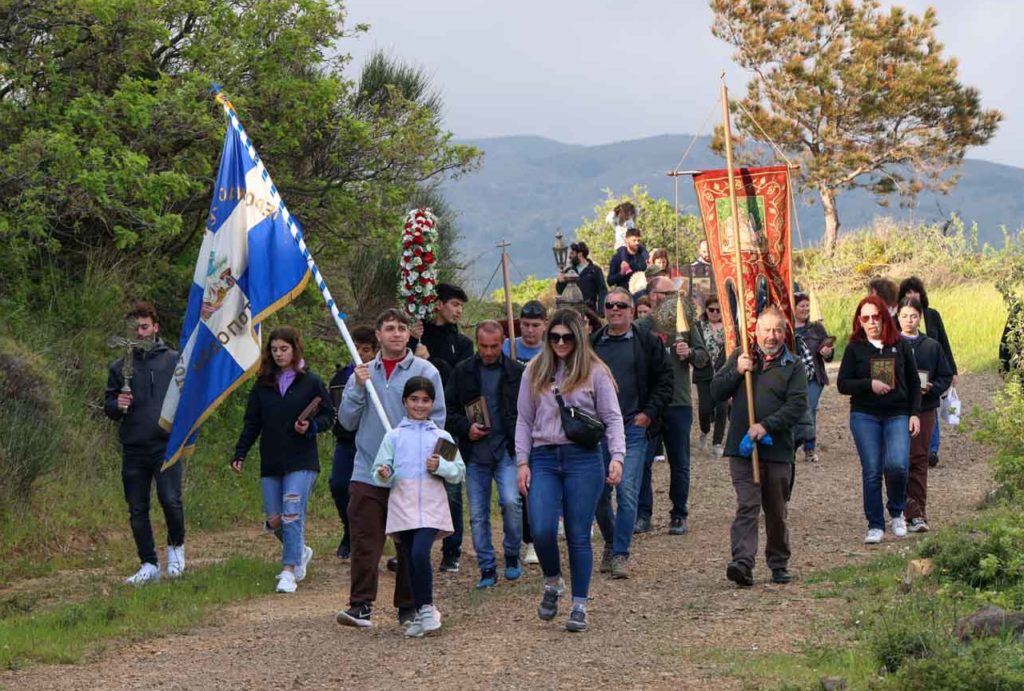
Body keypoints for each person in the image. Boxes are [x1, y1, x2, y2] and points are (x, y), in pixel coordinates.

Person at [515, 309, 625, 633]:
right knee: (542, 528)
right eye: (555, 337)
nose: (560, 342)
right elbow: (523, 418)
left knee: (578, 533)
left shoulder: (595, 372)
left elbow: (613, 417)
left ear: (578, 337)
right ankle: (553, 581)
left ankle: (579, 604)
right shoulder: (534, 370)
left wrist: (617, 456)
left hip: (583, 457)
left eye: (567, 337)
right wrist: (522, 461)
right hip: (544, 456)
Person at [337, 309, 445, 628]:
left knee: (409, 544)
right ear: (378, 335)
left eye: (401, 328)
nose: (396, 334)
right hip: (368, 469)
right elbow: (346, 420)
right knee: (365, 539)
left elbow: (438, 420)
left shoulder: (426, 371)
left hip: (410, 474)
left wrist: (437, 461)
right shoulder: (362, 373)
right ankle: (360, 605)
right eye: (389, 328)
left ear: (409, 334)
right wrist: (357, 387)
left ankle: (409, 606)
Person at [230, 326, 335, 593]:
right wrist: (240, 452)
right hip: (272, 460)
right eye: (274, 349)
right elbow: (252, 422)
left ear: (295, 348)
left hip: (301, 460)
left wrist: (310, 426)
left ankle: (288, 570)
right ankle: (300, 550)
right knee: (275, 519)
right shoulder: (263, 384)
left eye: (284, 349)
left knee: (291, 514)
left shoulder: (311, 382)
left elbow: (328, 416)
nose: (279, 354)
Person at [712, 307, 808, 587]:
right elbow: (716, 392)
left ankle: (778, 562)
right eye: (766, 330)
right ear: (756, 331)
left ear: (784, 333)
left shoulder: (794, 365)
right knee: (747, 505)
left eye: (777, 330)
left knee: (776, 510)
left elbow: (798, 405)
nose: (772, 336)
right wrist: (737, 372)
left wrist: (766, 426)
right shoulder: (741, 357)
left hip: (777, 450)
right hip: (742, 450)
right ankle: (742, 562)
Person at [372, 377, 466, 637]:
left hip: (432, 508)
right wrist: (385, 472)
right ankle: (419, 612)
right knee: (410, 560)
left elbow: (458, 471)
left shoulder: (441, 437)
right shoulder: (394, 436)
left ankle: (426, 608)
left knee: (419, 554)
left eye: (425, 400)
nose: (419, 405)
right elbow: (379, 470)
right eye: (414, 399)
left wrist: (442, 467)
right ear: (405, 402)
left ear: (432, 403)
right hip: (403, 507)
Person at [591, 289, 672, 578]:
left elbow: (665, 380)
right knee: (599, 494)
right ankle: (611, 542)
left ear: (632, 309)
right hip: (598, 430)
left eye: (621, 305)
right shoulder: (591, 345)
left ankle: (621, 553)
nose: (615, 310)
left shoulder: (647, 343)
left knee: (627, 492)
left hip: (632, 428)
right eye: (609, 305)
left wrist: (648, 414)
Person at [104, 302, 184, 586]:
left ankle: (176, 552)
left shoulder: (174, 360)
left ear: (155, 327)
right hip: (134, 446)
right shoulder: (119, 367)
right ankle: (148, 563)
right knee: (137, 507)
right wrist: (118, 404)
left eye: (144, 327)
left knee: (170, 499)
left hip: (166, 444)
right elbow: (109, 406)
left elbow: (188, 398)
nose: (139, 333)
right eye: (134, 328)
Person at [446, 320, 526, 589]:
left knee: (511, 502)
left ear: (503, 342)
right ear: (476, 343)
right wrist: (466, 428)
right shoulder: (463, 371)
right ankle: (487, 566)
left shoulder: (517, 372)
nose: (489, 352)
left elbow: (527, 412)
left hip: (506, 449)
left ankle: (513, 553)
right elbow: (448, 410)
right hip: (475, 454)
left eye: (494, 346)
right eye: (484, 346)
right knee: (477, 514)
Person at [837, 296, 921, 545]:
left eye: (876, 316)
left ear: (885, 317)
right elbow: (842, 383)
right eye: (866, 318)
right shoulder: (855, 348)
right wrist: (868, 384)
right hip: (865, 414)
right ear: (859, 322)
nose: (872, 322)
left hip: (897, 412)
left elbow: (914, 381)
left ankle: (897, 511)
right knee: (872, 469)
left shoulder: (901, 345)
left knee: (897, 465)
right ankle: (875, 523)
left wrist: (915, 413)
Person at [635, 276, 708, 535]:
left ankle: (679, 514)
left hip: (679, 402)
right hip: (649, 405)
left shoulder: (685, 323)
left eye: (673, 294)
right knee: (642, 461)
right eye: (664, 294)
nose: (669, 299)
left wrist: (689, 352)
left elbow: (703, 358)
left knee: (680, 461)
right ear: (652, 295)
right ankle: (642, 515)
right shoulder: (640, 327)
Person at [409, 283, 470, 571]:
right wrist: (415, 349)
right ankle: (407, 544)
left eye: (461, 306)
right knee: (410, 483)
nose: (458, 310)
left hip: (448, 427)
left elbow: (459, 378)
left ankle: (452, 550)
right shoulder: (418, 336)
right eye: (454, 304)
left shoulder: (464, 343)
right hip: (416, 421)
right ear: (439, 305)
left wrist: (432, 362)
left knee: (451, 487)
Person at [897, 297, 953, 533]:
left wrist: (933, 388)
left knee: (919, 458)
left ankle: (917, 513)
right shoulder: (890, 344)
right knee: (897, 460)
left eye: (914, 316)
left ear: (920, 317)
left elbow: (945, 374)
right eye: (904, 316)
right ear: (897, 317)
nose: (909, 320)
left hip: (925, 407)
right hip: (896, 408)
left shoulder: (931, 345)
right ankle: (897, 508)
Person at [328, 326, 378, 559]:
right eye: (356, 348)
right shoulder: (340, 377)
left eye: (366, 350)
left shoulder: (378, 375)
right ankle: (348, 530)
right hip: (346, 441)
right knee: (339, 485)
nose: (360, 353)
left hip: (373, 442)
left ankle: (369, 537)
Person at [898, 277, 957, 467]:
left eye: (915, 292)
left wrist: (952, 369)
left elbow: (943, 342)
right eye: (908, 293)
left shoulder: (932, 315)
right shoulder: (895, 321)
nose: (912, 295)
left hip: (930, 370)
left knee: (930, 408)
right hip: (905, 379)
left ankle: (931, 449)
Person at [793, 292, 835, 463]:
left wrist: (827, 352)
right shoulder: (784, 328)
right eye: (801, 305)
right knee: (793, 410)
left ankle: (809, 448)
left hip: (814, 377)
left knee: (809, 409)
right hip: (792, 378)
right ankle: (792, 444)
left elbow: (829, 353)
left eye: (807, 305)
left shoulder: (817, 328)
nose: (805, 309)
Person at [693, 295, 729, 458]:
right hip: (704, 373)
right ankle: (704, 430)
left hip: (723, 373)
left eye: (718, 310)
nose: (715, 313)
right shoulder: (698, 327)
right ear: (705, 310)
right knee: (705, 408)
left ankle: (717, 443)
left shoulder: (729, 329)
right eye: (711, 309)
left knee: (722, 408)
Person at [556, 242, 607, 316]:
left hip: (589, 310)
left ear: (580, 254)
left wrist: (601, 311)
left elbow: (602, 291)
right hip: (571, 310)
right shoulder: (568, 271)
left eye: (572, 253)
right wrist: (560, 282)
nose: (569, 257)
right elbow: (560, 291)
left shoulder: (595, 270)